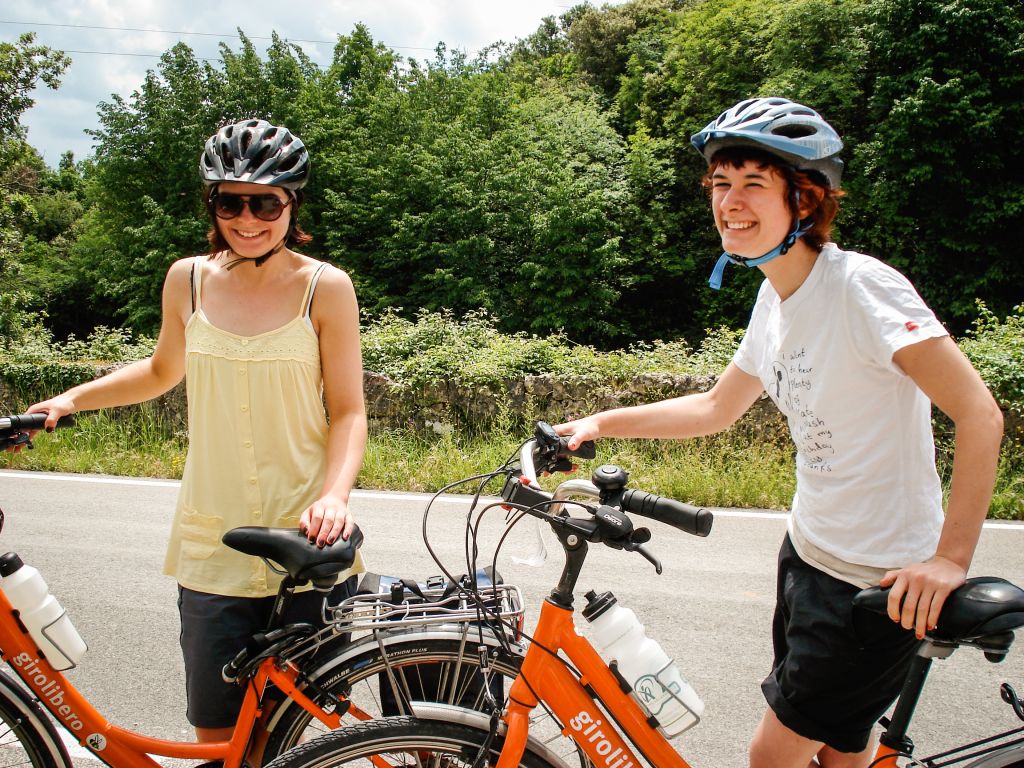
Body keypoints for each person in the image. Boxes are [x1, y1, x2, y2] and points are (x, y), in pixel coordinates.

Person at [555, 97, 1003, 768]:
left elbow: (979, 413)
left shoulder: (860, 289)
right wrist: (600, 423)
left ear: (806, 199)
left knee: (774, 756)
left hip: (876, 583)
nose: (730, 200)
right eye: (721, 183)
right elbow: (716, 407)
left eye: (753, 183)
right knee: (838, 750)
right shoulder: (776, 296)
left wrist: (950, 560)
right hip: (808, 556)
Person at [23, 118, 368, 743]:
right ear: (211, 204)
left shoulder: (326, 288)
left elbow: (348, 410)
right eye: (230, 202)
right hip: (214, 544)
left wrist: (335, 496)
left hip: (307, 534)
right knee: (218, 734)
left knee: (305, 735)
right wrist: (70, 400)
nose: (248, 219)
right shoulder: (186, 279)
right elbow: (160, 371)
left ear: (292, 204)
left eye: (265, 202)